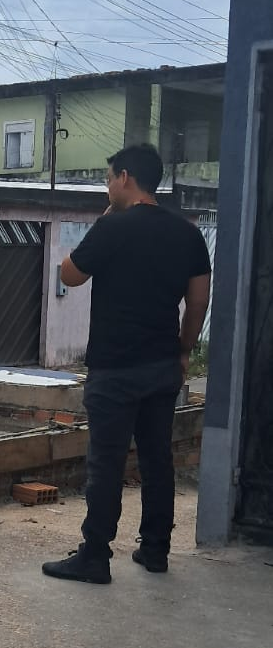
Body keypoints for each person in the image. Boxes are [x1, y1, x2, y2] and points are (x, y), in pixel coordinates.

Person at [42, 143, 211, 584]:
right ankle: (155, 550)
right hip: (162, 365)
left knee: (107, 462)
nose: (106, 186)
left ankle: (95, 556)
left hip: (114, 368)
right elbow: (198, 301)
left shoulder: (113, 227)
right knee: (158, 458)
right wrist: (184, 350)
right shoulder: (187, 233)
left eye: (108, 178)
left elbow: (69, 274)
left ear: (124, 178)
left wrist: (103, 221)